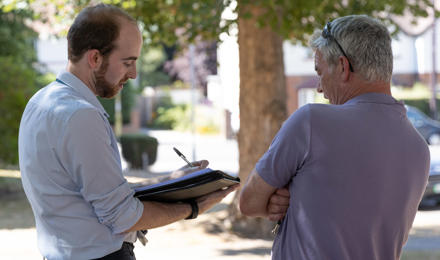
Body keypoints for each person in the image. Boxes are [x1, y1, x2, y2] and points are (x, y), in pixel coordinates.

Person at [18, 4, 242, 260]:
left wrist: (170, 181)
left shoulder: (41, 102)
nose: (133, 74)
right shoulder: (80, 115)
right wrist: (193, 207)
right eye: (128, 62)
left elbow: (96, 192)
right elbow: (122, 216)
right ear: (95, 58)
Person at [239, 15, 430, 260]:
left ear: (343, 66)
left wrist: (284, 193)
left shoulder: (310, 123)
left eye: (319, 71)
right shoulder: (418, 147)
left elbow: (250, 202)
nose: (319, 87)